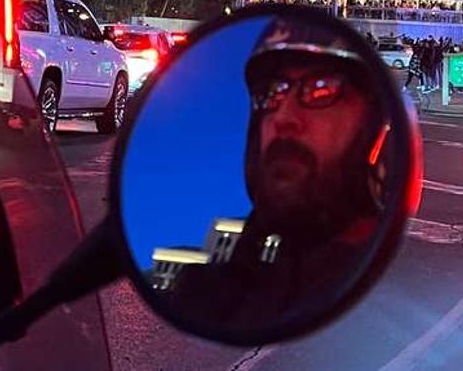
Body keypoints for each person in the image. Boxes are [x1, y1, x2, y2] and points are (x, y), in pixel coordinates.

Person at [154, 18, 394, 334]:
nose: (283, 118)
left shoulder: (372, 287)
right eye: (272, 94)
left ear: (372, 127)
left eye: (321, 89)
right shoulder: (217, 293)